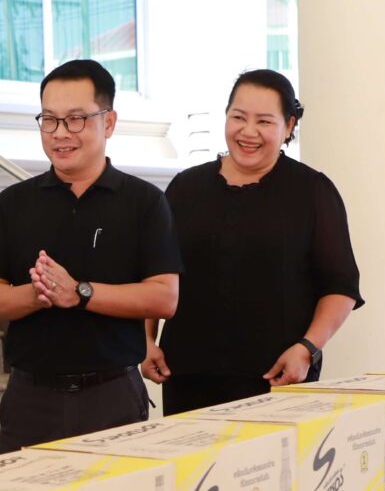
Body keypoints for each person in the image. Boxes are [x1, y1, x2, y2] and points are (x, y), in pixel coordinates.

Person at [0, 59, 182, 451]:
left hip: (112, 394)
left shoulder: (145, 202)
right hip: (30, 399)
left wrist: (80, 292)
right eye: (49, 120)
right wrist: (37, 295)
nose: (60, 133)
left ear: (109, 122)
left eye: (75, 119)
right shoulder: (13, 204)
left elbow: (164, 298)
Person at [145, 69, 363, 414]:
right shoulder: (186, 187)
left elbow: (341, 286)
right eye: (238, 117)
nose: (248, 132)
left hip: (278, 378)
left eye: (264, 121)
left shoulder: (312, 191)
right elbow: (156, 272)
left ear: (288, 126)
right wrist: (146, 340)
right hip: (189, 377)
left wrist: (307, 349)